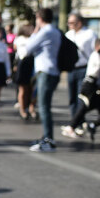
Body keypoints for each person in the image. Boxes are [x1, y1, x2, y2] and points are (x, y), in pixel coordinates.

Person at [24, 8, 61, 152]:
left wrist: (35, 32)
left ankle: (48, 139)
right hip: (52, 71)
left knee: (44, 106)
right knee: (45, 105)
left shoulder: (45, 32)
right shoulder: (55, 31)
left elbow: (28, 48)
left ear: (39, 18)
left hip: (45, 71)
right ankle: (46, 136)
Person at [65, 14, 97, 118]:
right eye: (68, 22)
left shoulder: (90, 34)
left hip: (84, 68)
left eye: (71, 23)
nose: (69, 25)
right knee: (71, 97)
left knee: (81, 97)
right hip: (71, 69)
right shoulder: (68, 35)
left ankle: (79, 120)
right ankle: (74, 120)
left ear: (79, 23)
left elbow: (95, 52)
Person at [12, 24, 36, 121]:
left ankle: (31, 107)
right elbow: (17, 50)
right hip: (23, 63)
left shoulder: (33, 38)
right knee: (23, 89)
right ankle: (22, 109)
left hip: (32, 62)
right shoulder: (20, 39)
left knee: (32, 89)